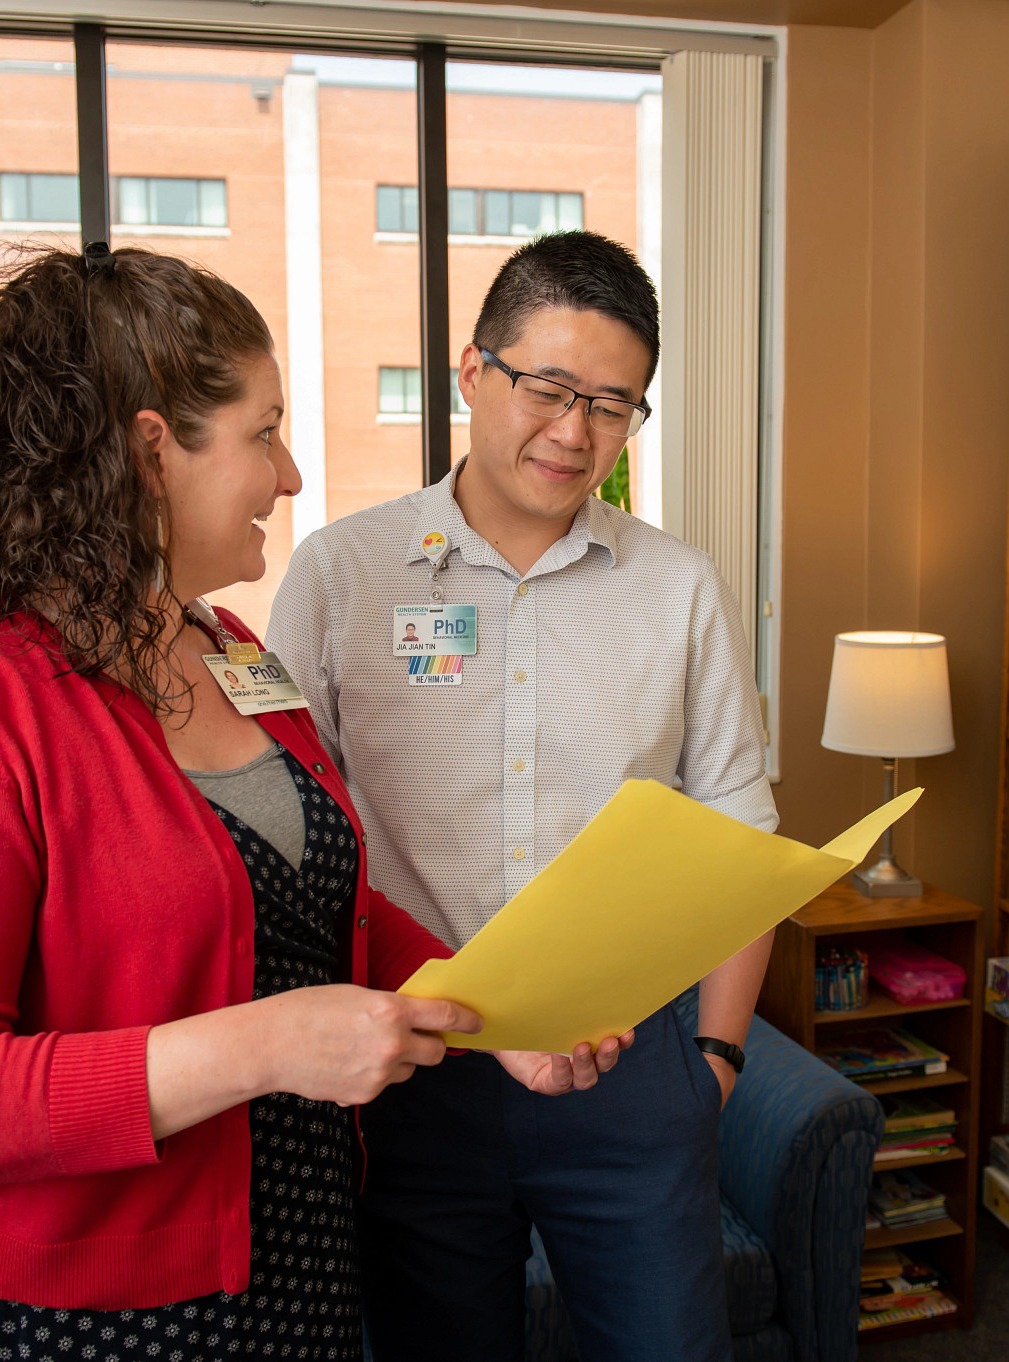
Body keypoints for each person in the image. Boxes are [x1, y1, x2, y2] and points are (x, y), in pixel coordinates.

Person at [0, 245, 621, 1362]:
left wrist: (497, 1024)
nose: (290, 475)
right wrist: (263, 1046)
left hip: (297, 1259)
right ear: (153, 452)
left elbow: (318, 901)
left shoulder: (230, 647)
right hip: (88, 1317)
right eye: (263, 432)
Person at [268, 230, 776, 1362]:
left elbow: (741, 838)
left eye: (612, 404)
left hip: (627, 1071)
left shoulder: (678, 587)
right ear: (469, 369)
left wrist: (714, 1067)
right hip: (408, 1073)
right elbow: (287, 829)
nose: (572, 432)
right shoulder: (342, 573)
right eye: (545, 387)